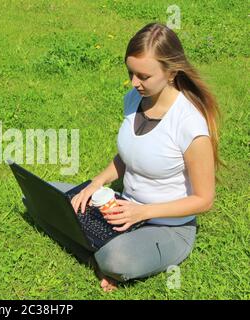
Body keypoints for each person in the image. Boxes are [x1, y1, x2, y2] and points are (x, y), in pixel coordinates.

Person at [63, 22, 226, 292]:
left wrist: (144, 212)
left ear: (172, 72)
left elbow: (204, 200)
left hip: (167, 227)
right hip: (122, 208)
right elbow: (128, 156)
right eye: (130, 73)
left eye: (143, 76)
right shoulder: (133, 99)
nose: (134, 83)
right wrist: (96, 183)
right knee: (55, 200)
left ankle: (104, 255)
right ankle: (99, 245)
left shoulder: (189, 125)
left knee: (115, 259)